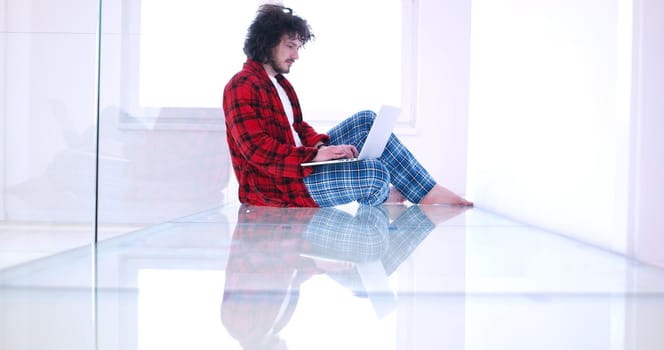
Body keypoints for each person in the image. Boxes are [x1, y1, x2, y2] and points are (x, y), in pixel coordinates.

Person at [223, 4, 473, 208]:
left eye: (298, 48)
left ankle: (427, 190)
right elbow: (256, 151)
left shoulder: (281, 84)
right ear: (267, 43)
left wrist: (321, 145)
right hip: (281, 185)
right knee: (375, 173)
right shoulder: (241, 85)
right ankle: (385, 197)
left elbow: (298, 127)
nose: (296, 55)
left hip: (304, 163)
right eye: (290, 46)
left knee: (367, 120)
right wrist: (315, 155)